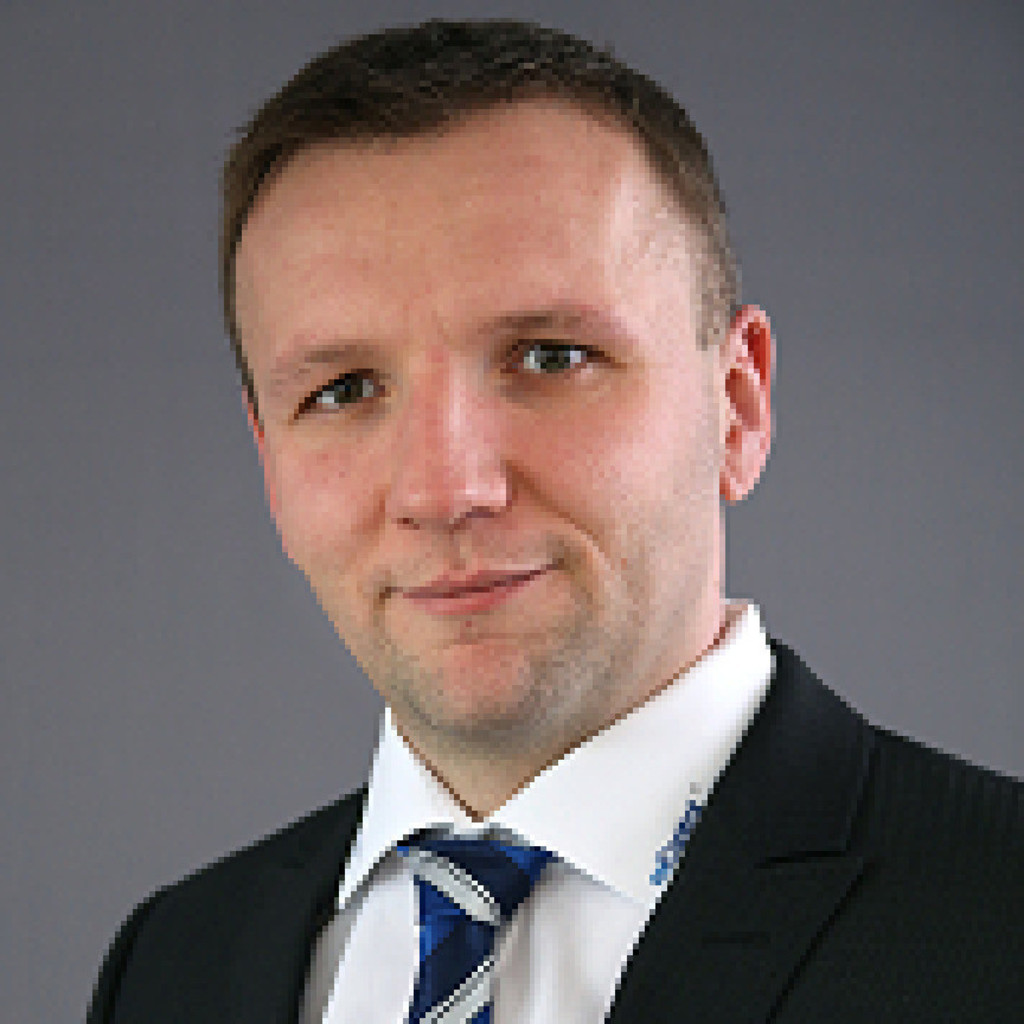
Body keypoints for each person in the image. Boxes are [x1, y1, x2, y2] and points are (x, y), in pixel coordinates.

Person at [87, 18, 1022, 1023]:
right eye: (345, 389)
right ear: (269, 459)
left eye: (549, 357)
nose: (444, 490)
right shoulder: (172, 963)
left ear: (737, 406)